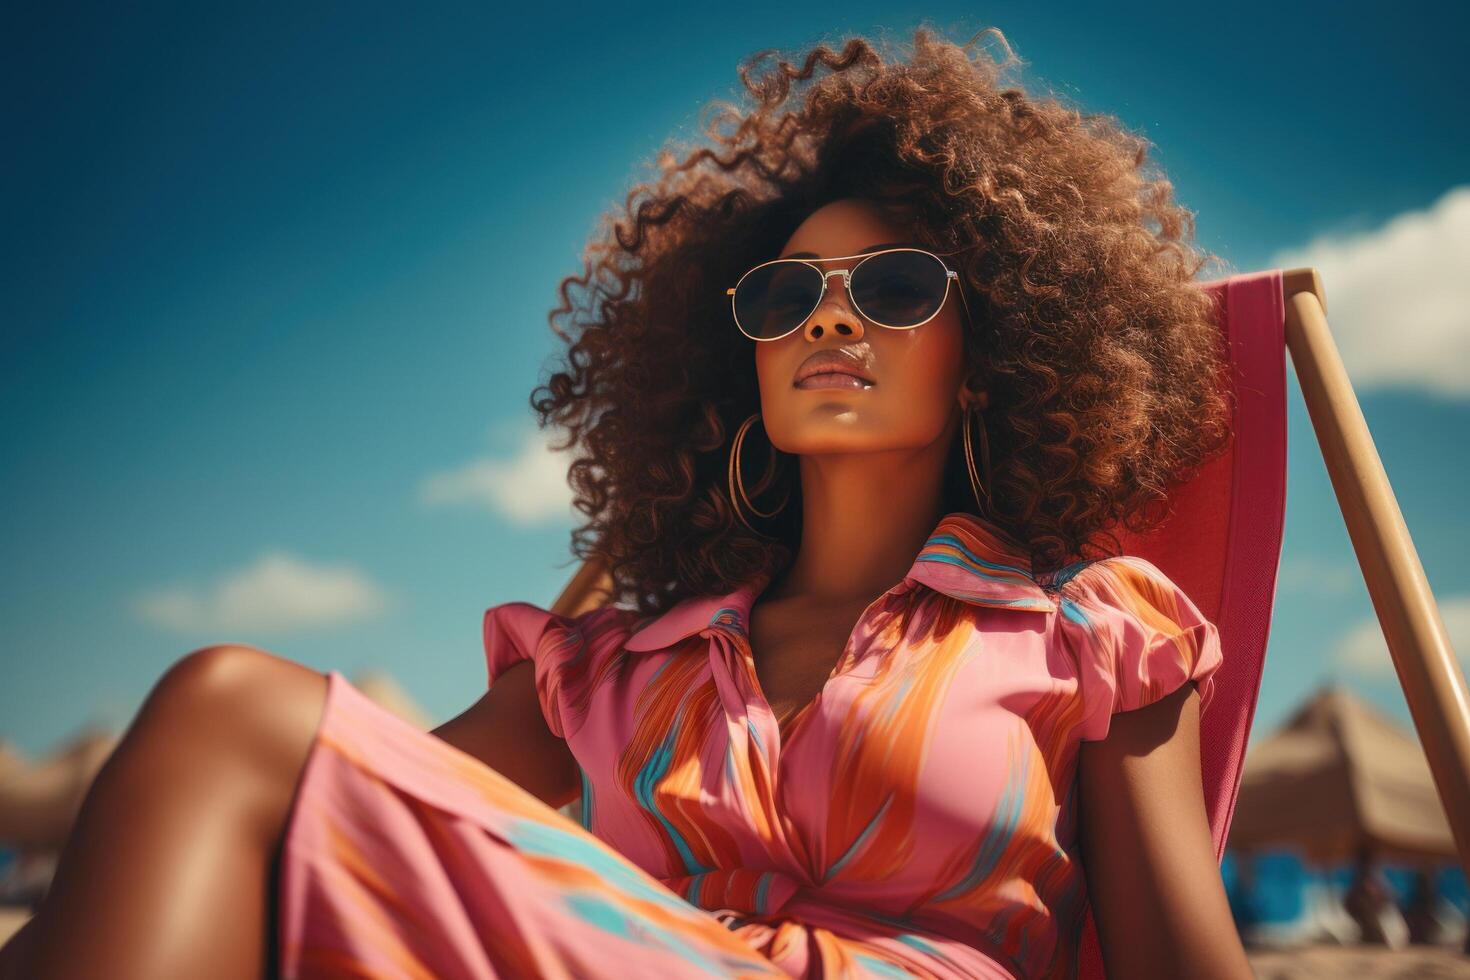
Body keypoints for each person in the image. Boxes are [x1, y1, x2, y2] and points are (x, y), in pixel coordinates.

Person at [0, 24, 1253, 980]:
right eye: (783, 295)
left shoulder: (1092, 631)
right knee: (229, 724)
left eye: (894, 286)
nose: (829, 313)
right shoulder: (612, 670)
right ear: (742, 359)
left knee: (226, 708)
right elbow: (324, 819)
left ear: (990, 355)